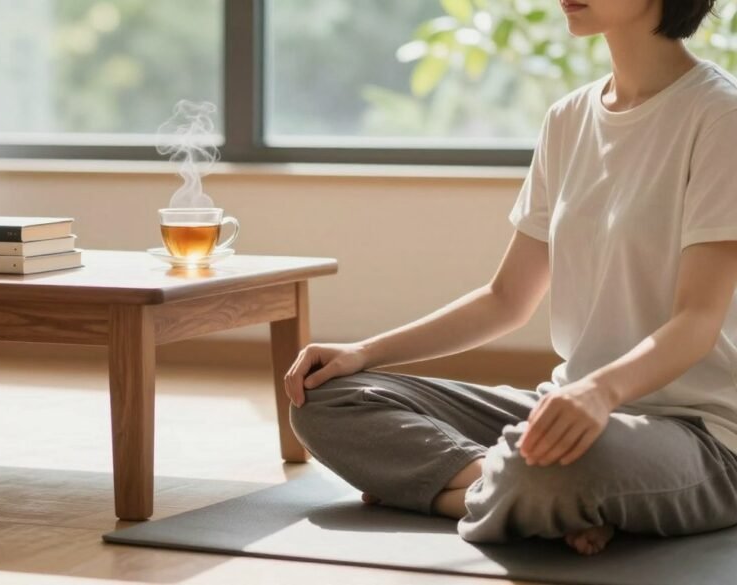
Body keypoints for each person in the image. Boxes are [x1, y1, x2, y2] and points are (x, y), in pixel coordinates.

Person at [285, 0, 737, 556]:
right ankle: (512, 495)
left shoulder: (719, 116)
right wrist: (363, 352)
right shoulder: (568, 119)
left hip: (697, 434)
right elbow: (505, 299)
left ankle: (479, 489)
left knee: (545, 462)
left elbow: (696, 322)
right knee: (326, 398)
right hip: (565, 409)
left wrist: (601, 392)